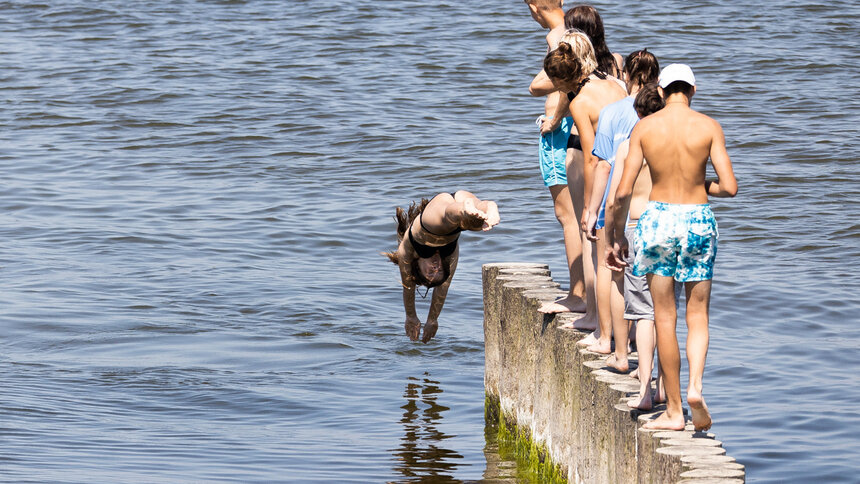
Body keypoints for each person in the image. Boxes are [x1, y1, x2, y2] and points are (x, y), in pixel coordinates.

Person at [606, 64, 738, 431]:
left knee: (663, 317)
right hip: (698, 218)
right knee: (698, 315)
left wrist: (615, 237)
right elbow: (729, 187)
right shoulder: (709, 126)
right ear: (693, 91)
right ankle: (696, 387)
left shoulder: (645, 127)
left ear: (661, 93)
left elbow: (623, 190)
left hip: (658, 219)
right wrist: (701, 183)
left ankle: (675, 410)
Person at [543, 30, 627, 352]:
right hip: (630, 168)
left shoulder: (579, 101)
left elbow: (593, 158)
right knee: (620, 253)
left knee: (598, 250)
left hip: (604, 174)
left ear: (563, 82)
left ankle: (599, 326)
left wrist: (591, 209)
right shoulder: (614, 85)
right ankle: (620, 331)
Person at [584, 50, 660, 377]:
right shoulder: (664, 117)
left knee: (613, 274)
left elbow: (601, 165)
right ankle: (643, 357)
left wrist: (592, 210)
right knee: (655, 297)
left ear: (626, 74)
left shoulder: (614, 112)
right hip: (659, 212)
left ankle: (615, 345)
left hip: (619, 206)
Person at [525, 0, 590, 317]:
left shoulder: (558, 37)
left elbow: (563, 81)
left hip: (561, 133)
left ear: (535, 7)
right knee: (578, 213)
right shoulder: (579, 31)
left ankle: (578, 293)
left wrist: (555, 118)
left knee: (569, 216)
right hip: (575, 130)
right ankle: (583, 290)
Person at [383, 191, 500, 343]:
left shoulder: (408, 252)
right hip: (459, 209)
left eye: (431, 270)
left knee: (446, 219)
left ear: (417, 267)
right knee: (475, 223)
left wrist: (411, 316)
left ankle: (464, 209)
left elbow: (408, 287)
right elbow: (443, 287)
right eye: (440, 270)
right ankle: (488, 206)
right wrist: (432, 320)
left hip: (432, 220)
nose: (437, 267)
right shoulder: (449, 255)